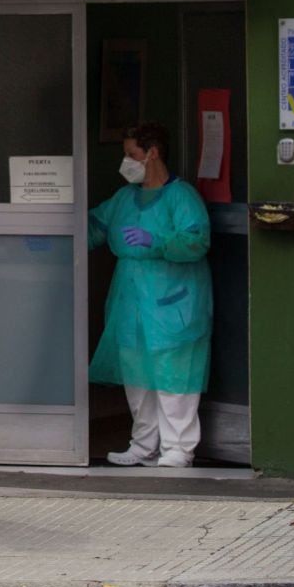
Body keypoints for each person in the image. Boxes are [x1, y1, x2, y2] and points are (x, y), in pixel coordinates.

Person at [89, 122, 213, 469]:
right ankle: (143, 444)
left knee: (175, 374)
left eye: (132, 154)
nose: (126, 161)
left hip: (175, 301)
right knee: (137, 377)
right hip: (130, 301)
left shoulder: (181, 197)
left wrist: (157, 241)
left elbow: (197, 241)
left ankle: (178, 448)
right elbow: (92, 227)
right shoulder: (124, 198)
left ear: (153, 152)